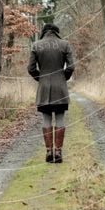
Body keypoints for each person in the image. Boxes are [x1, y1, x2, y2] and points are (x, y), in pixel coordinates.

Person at [27, 22, 74, 163]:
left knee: (46, 119)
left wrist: (40, 78)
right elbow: (71, 67)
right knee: (60, 118)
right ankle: (58, 152)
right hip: (60, 88)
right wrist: (63, 77)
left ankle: (49, 151)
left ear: (44, 32)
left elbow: (30, 68)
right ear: (56, 32)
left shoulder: (36, 45)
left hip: (44, 88)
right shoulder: (65, 44)